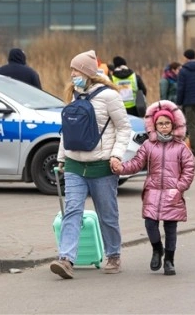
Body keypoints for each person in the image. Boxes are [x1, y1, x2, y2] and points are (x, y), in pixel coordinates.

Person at [49, 49, 131, 279]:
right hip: (75, 165)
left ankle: (113, 254)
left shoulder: (110, 97)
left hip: (101, 166)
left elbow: (124, 129)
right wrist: (62, 157)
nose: (72, 74)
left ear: (86, 72)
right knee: (72, 211)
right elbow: (67, 130)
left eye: (75, 70)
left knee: (107, 214)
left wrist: (116, 155)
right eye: (72, 70)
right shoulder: (74, 94)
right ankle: (66, 259)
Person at [114, 102, 194, 276]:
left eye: (167, 123)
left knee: (170, 228)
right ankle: (157, 249)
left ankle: (169, 260)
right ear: (154, 126)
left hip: (173, 193)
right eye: (160, 123)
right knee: (150, 223)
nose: (164, 127)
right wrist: (121, 168)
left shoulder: (181, 147)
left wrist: (180, 188)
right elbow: (137, 163)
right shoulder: (149, 146)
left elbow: (189, 169)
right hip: (153, 193)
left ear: (173, 125)